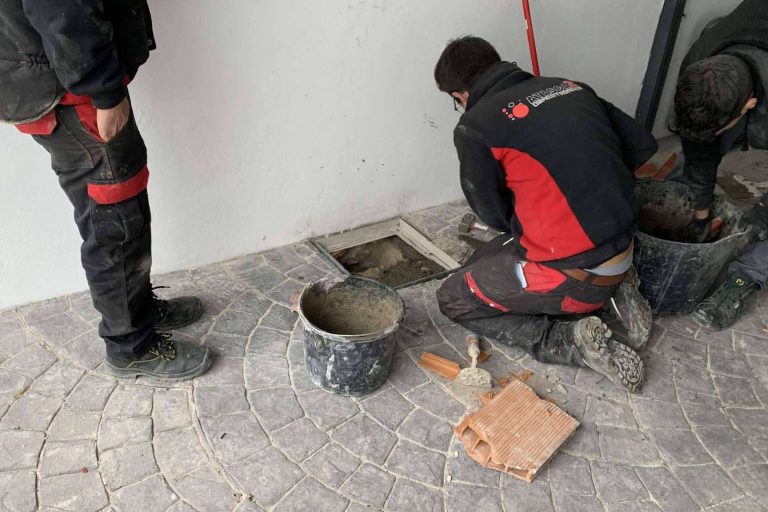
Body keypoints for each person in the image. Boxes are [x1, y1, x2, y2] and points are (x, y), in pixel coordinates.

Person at [0, 0, 211, 380]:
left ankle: (137, 311)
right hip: (71, 92)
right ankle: (131, 344)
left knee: (123, 205)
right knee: (115, 221)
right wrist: (104, 90)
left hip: (66, 81)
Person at [433, 37, 657, 392]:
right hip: (624, 246)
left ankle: (569, 341)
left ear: (460, 95)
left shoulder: (475, 127)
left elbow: (493, 215)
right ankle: (617, 288)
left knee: (454, 296)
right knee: (479, 261)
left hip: (577, 274)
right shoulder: (569, 87)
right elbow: (643, 146)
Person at [673, 0, 768, 330]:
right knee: (697, 150)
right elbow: (699, 143)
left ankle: (745, 278)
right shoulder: (701, 60)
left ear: (750, 105)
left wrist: (763, 214)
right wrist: (700, 214)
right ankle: (681, 215)